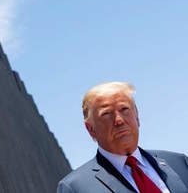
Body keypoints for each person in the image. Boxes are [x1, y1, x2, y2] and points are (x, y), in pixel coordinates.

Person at [57, 82, 188, 193]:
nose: (119, 120)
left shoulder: (179, 163)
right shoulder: (74, 187)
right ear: (90, 129)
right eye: (106, 114)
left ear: (137, 116)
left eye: (124, 109)